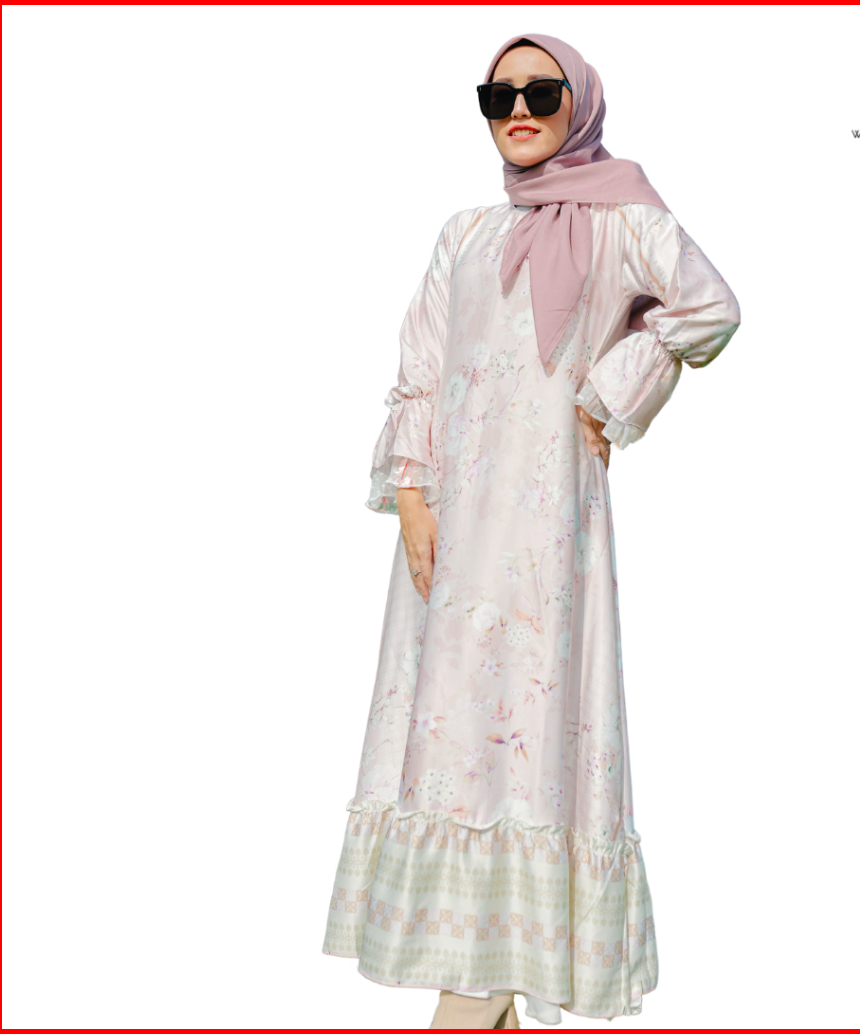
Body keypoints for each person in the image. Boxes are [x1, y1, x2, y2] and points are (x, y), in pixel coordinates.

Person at [321, 31, 741, 1028]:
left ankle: (475, 994)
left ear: (578, 101)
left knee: (535, 732)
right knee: (452, 734)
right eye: (496, 96)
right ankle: (487, 989)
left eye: (540, 92)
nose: (517, 110)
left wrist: (614, 389)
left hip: (550, 536)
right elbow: (420, 369)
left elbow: (708, 308)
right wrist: (412, 497)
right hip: (453, 533)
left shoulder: (624, 218)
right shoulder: (465, 233)